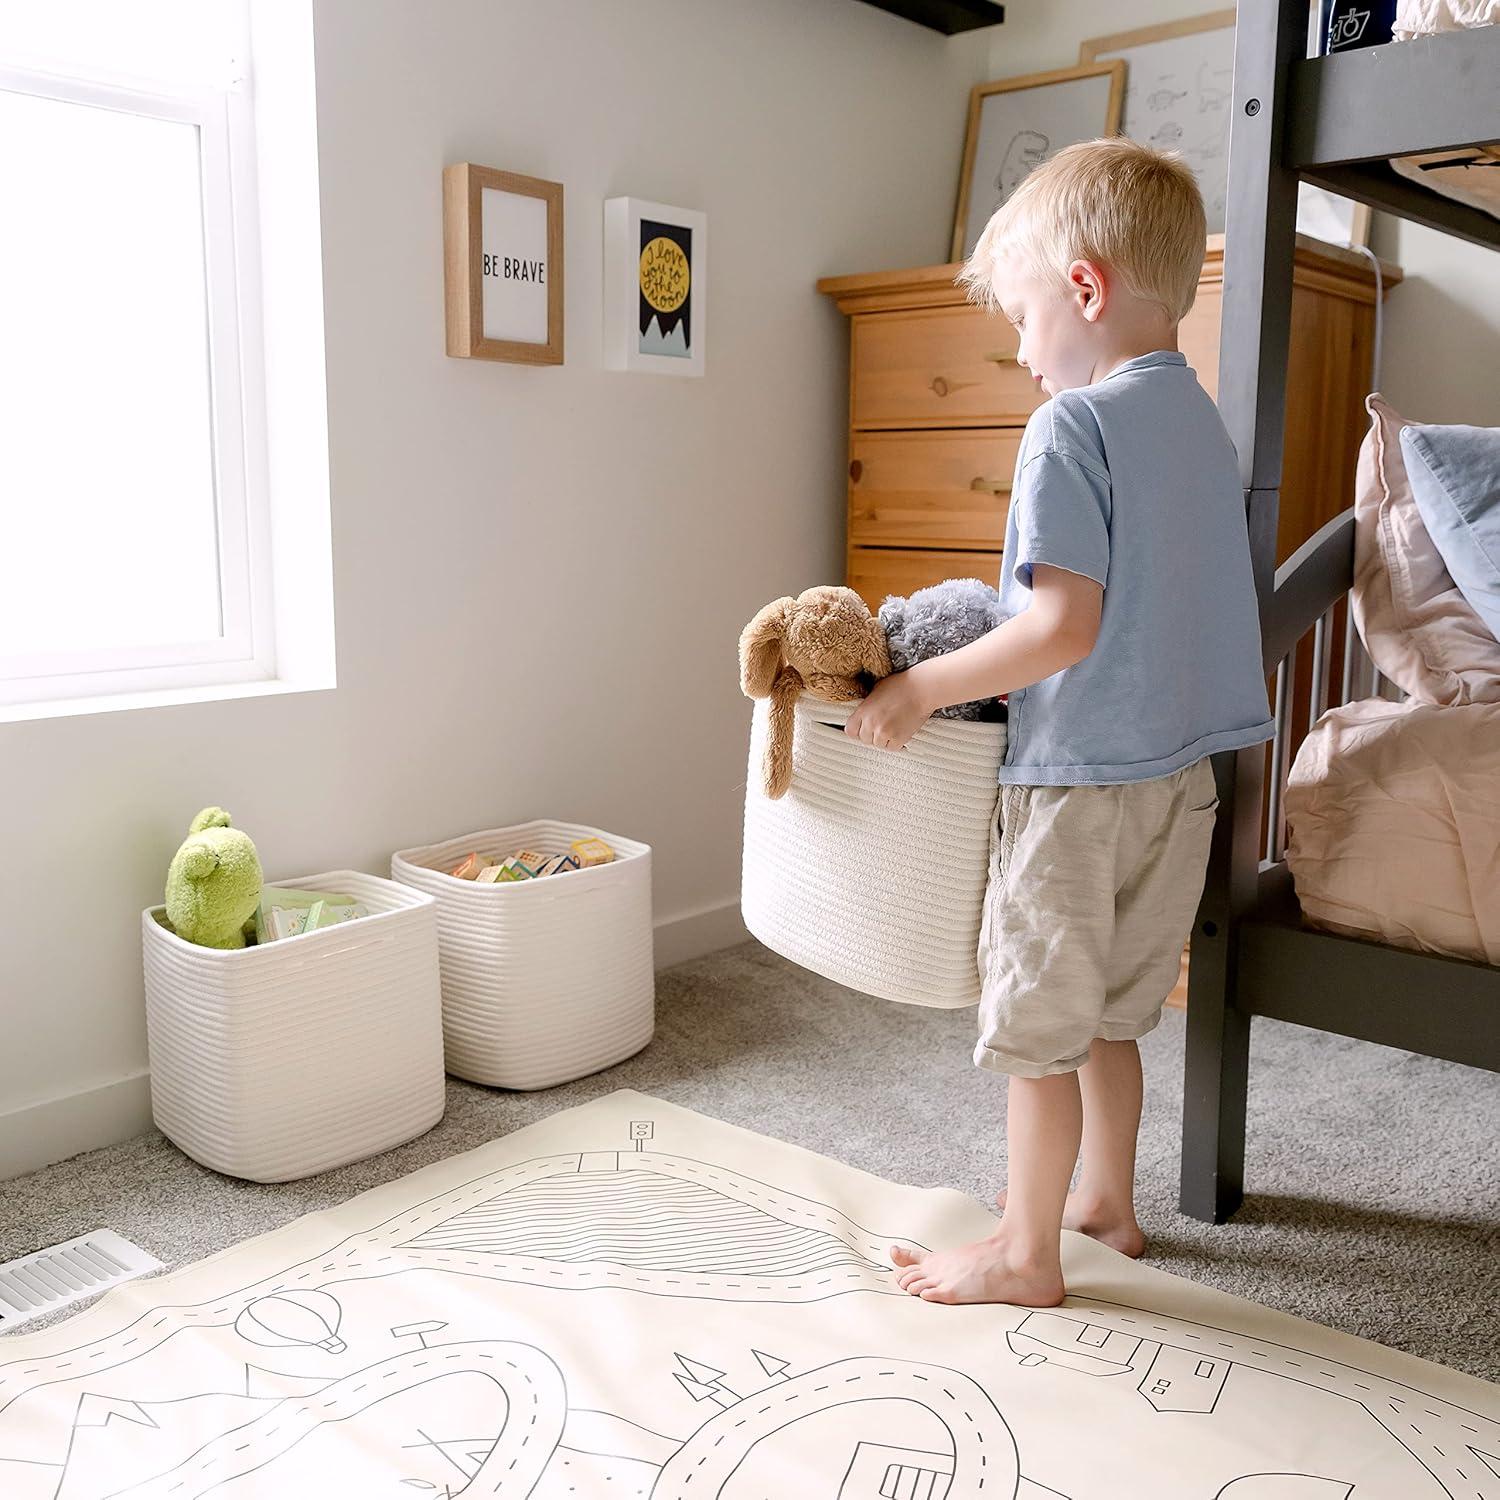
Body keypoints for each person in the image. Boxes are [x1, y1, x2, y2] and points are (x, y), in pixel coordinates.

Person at [845, 137, 1273, 1306]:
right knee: (1117, 1019)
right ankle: (1107, 1207)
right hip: (1181, 783)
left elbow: (1059, 625)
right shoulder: (1199, 424)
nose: (1025, 356)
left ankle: (1026, 1253)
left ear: (1083, 290)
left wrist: (919, 687)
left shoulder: (1069, 430)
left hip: (1078, 783)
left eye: (1025, 322)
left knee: (1037, 1031)